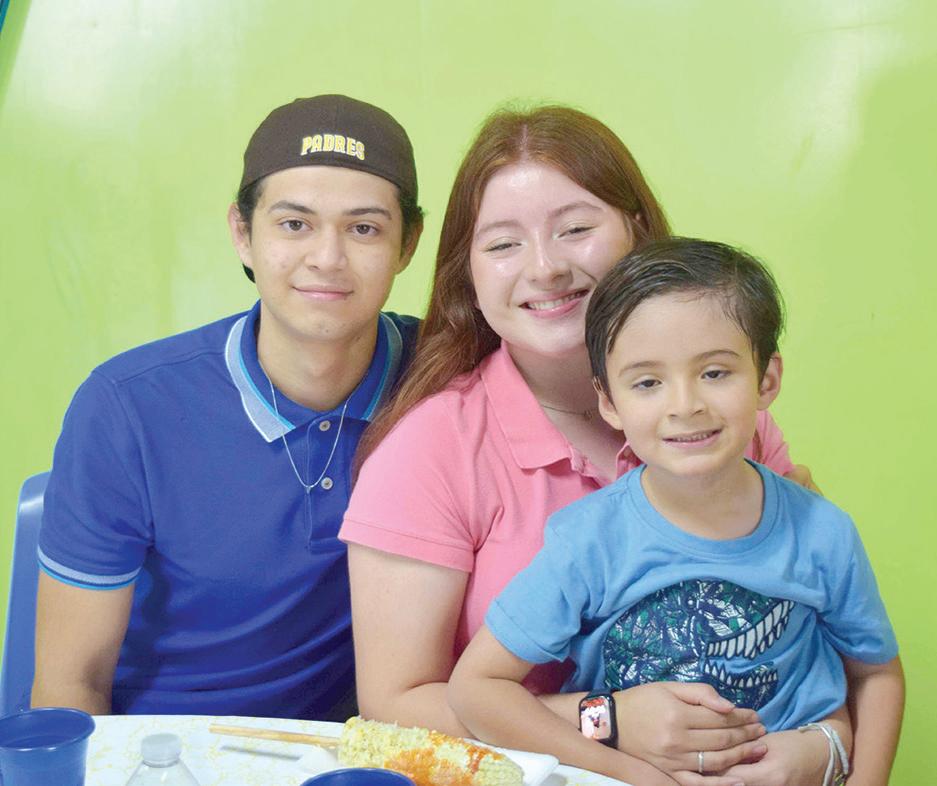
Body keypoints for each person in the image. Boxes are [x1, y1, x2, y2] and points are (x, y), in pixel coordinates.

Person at [341, 105, 836, 785]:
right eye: (503, 244)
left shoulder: (715, 413)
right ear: (468, 274)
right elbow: (394, 706)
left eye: (575, 229)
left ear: (637, 232)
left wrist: (824, 748)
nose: (545, 268)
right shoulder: (429, 449)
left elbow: (813, 625)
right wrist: (605, 719)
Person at [449, 238, 904, 786]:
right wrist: (625, 767)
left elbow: (878, 675)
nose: (685, 405)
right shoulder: (588, 541)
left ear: (767, 379)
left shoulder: (823, 532)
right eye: (648, 383)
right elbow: (477, 689)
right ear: (609, 402)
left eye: (715, 373)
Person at [33, 94, 423, 719]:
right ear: (243, 233)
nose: (327, 258)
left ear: (408, 244)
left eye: (364, 229)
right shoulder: (127, 409)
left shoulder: (443, 376)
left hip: (345, 749)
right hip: (165, 743)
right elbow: (70, 687)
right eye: (294, 224)